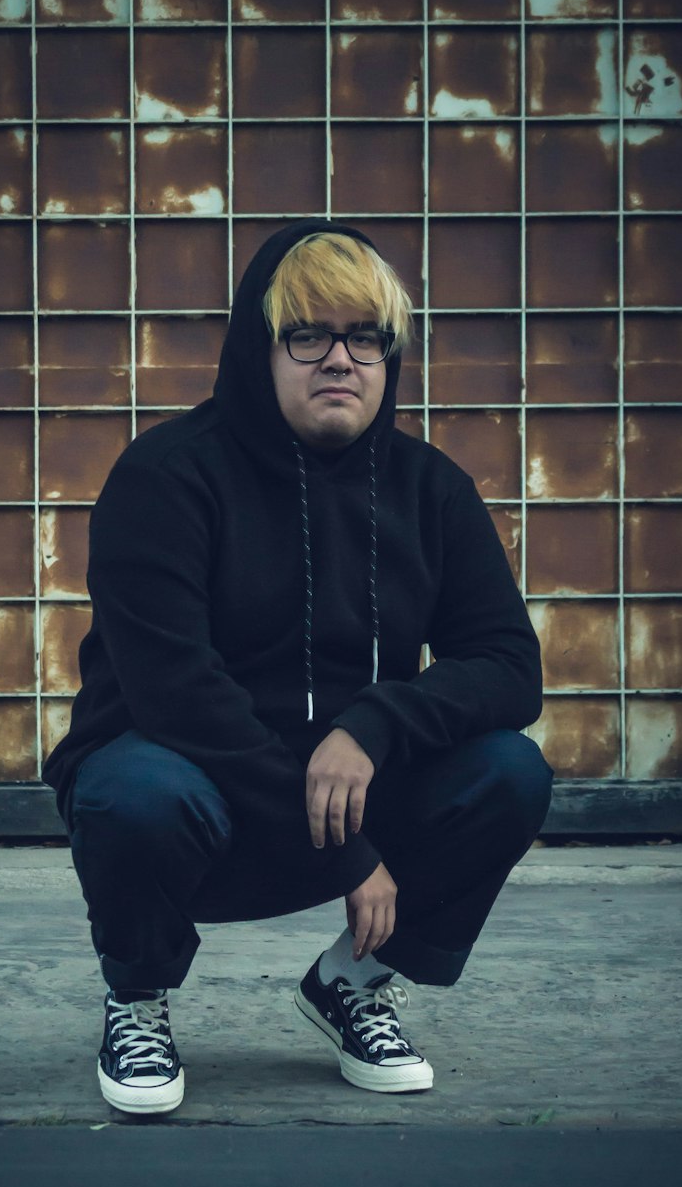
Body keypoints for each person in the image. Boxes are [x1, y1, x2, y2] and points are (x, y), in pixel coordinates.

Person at [43, 219, 552, 1116]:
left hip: (345, 806)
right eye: (307, 334)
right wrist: (356, 858)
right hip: (199, 809)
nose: (339, 361)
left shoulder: (431, 489)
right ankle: (137, 995)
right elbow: (177, 695)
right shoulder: (164, 477)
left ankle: (352, 982)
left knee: (509, 770)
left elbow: (509, 665)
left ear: (389, 356)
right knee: (132, 790)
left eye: (364, 337)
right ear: (259, 347)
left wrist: (374, 723)